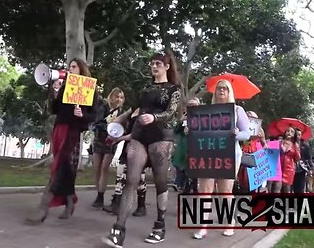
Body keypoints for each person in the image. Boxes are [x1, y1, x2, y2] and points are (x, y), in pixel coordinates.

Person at [102, 50, 181, 247]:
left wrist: (154, 118)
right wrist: (118, 125)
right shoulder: (145, 88)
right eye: (152, 63)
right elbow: (132, 110)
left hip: (161, 137)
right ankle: (118, 230)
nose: (154, 67)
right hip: (139, 137)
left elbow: (171, 113)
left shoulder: (174, 90)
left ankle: (159, 225)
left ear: (167, 66)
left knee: (161, 181)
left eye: (159, 64)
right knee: (131, 180)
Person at [25, 58, 98, 224]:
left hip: (72, 131)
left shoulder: (90, 88)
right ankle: (70, 199)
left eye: (73, 66)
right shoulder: (65, 86)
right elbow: (54, 109)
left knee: (59, 167)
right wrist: (54, 92)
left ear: (81, 69)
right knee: (66, 168)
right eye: (69, 66)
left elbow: (94, 114)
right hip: (59, 129)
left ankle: (43, 208)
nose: (70, 69)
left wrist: (83, 115)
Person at [191, 79, 251, 240]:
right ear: (215, 92)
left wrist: (237, 133)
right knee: (205, 190)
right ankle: (203, 226)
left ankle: (229, 223)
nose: (222, 91)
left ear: (230, 91)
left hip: (229, 154)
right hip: (208, 153)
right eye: (219, 88)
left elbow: (247, 133)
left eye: (225, 88)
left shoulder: (238, 110)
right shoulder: (206, 111)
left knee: (225, 191)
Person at [103, 108, 148, 217]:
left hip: (139, 146)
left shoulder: (147, 112)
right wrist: (113, 128)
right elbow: (120, 118)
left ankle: (141, 206)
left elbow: (137, 134)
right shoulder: (133, 109)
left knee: (139, 176)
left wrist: (119, 138)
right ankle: (117, 203)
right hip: (127, 146)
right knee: (121, 172)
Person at [91, 87, 126, 209]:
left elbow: (124, 127)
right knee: (97, 168)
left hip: (111, 141)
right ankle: (98, 193)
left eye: (121, 97)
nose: (119, 99)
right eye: (117, 96)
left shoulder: (122, 112)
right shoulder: (103, 107)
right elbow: (96, 122)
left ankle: (100, 196)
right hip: (99, 139)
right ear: (112, 97)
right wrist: (107, 125)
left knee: (104, 167)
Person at [293, 128, 311, 193]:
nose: (298, 136)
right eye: (296, 134)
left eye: (299, 134)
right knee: (293, 187)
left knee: (301, 187)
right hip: (292, 168)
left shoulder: (305, 146)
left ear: (301, 135)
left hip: (302, 168)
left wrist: (310, 168)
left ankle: (299, 202)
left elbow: (309, 158)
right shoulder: (291, 144)